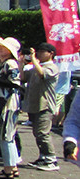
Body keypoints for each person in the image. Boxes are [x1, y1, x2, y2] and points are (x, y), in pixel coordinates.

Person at [0, 37, 23, 179]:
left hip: (7, 103)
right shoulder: (4, 63)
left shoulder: (10, 64)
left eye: (4, 48)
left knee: (5, 136)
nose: (0, 50)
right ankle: (12, 167)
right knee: (8, 136)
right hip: (4, 101)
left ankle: (8, 168)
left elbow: (14, 83)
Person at [21, 42, 60, 171]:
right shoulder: (36, 67)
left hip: (45, 105)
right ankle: (43, 156)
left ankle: (51, 158)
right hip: (34, 105)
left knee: (43, 133)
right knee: (37, 133)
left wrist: (33, 60)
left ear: (51, 54)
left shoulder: (52, 67)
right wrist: (21, 62)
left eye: (42, 51)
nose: (39, 53)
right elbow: (23, 78)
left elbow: (42, 74)